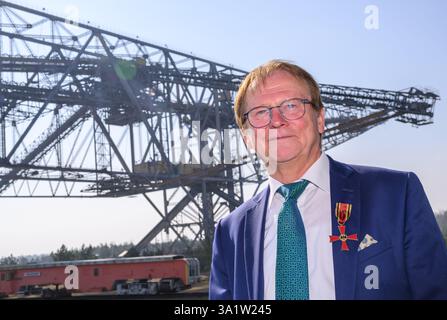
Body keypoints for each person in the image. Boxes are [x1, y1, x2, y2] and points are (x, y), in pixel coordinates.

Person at [209, 60, 447, 300]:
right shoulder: (230, 232)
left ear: (320, 119)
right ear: (247, 137)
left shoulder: (397, 195)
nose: (277, 120)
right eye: (261, 112)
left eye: (291, 105)